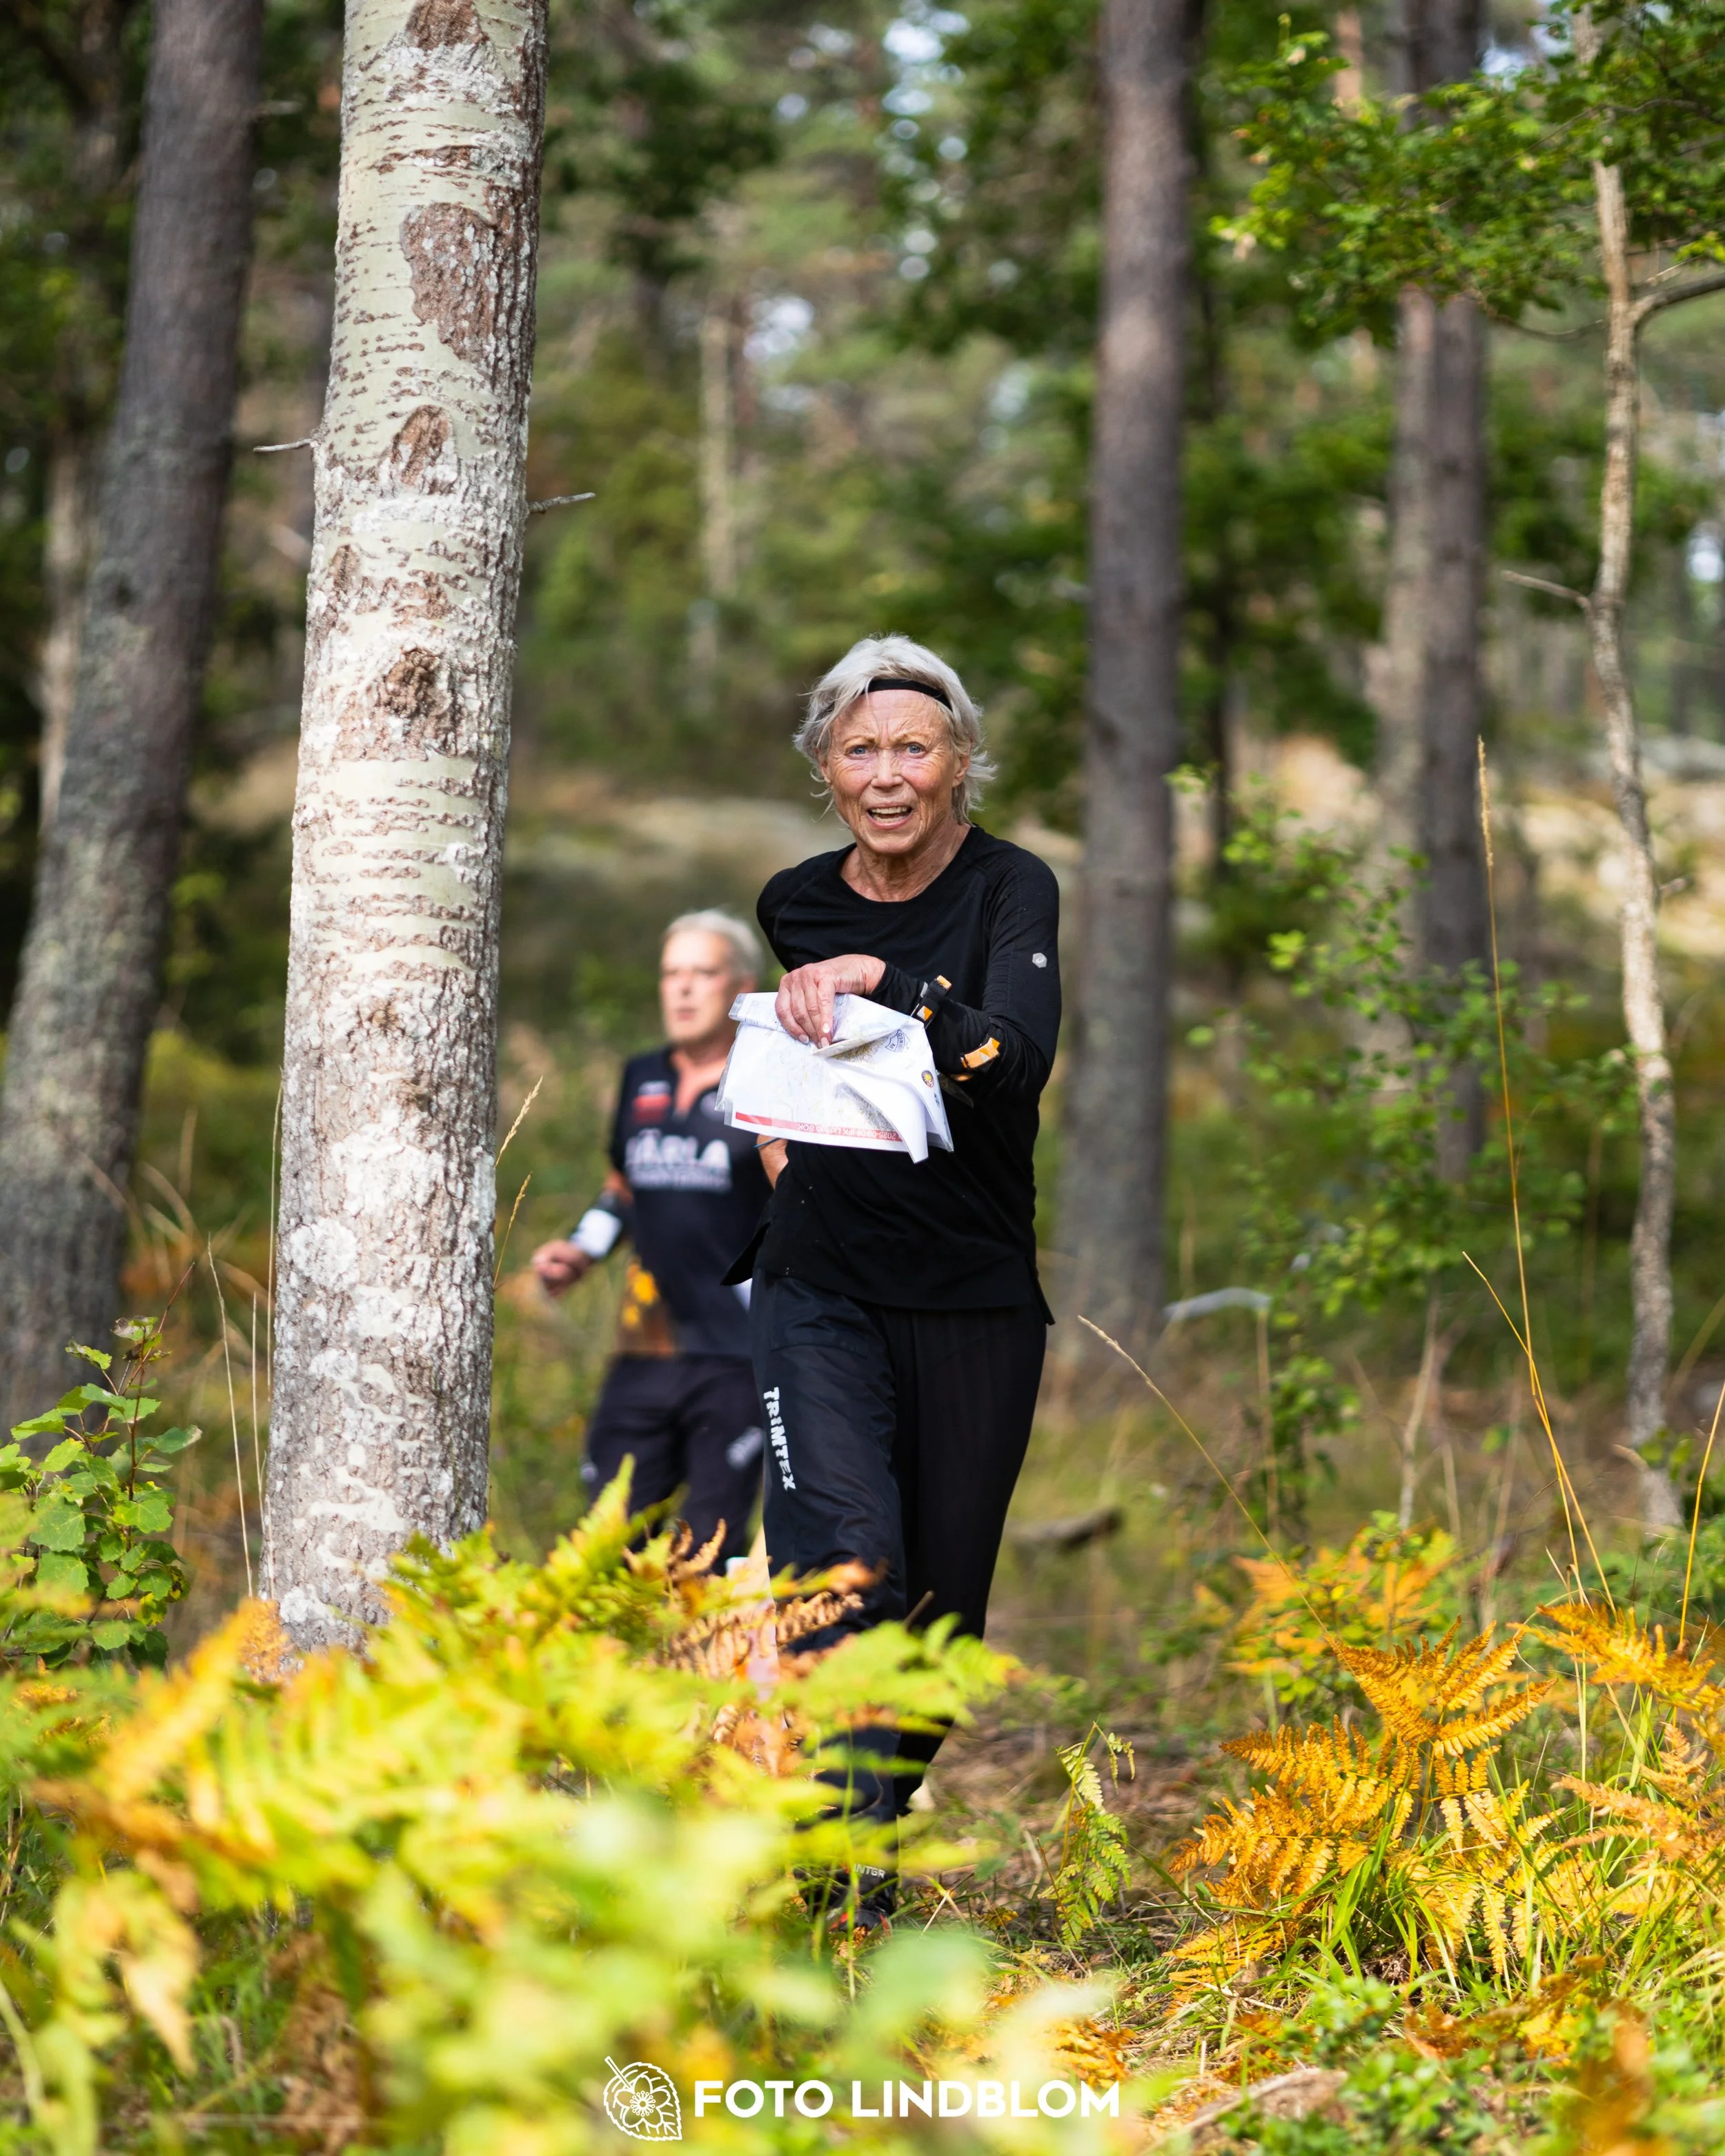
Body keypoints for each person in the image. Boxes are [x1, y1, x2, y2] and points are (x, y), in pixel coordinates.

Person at [736, 633, 1061, 1917]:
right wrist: (774, 1143)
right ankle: (835, 1869)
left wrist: (892, 981)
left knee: (937, 1629)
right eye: (861, 749)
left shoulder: (1011, 891)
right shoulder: (793, 899)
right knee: (844, 1564)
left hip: (976, 1291)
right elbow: (803, 1050)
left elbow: (1013, 1067)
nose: (887, 774)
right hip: (819, 1279)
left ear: (961, 763)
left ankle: (865, 1816)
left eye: (913, 748)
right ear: (827, 765)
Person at [532, 911, 771, 1568]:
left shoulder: (770, 1077)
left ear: (741, 986)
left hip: (737, 1353)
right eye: (672, 973)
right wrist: (580, 1251)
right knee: (607, 1546)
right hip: (645, 1346)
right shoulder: (642, 1076)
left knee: (706, 1552)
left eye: (703, 972)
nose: (684, 989)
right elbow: (623, 1191)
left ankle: (700, 1672)